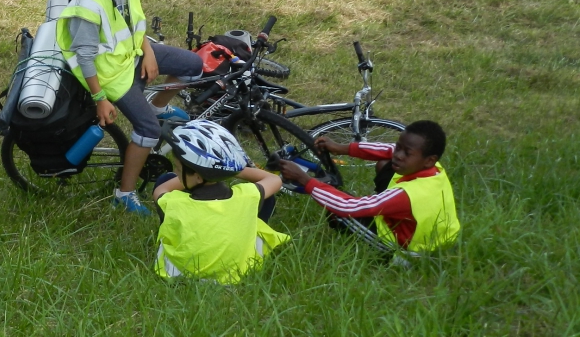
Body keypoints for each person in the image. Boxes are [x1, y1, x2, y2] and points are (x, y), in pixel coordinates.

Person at [56, 0, 205, 216]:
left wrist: (148, 53)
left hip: (134, 56)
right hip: (112, 77)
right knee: (148, 130)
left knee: (194, 66)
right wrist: (100, 98)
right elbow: (85, 58)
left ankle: (158, 107)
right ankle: (124, 194)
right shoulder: (88, 4)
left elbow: (135, 27)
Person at [277, 120, 459, 254]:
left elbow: (347, 206)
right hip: (438, 238)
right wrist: (341, 148)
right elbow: (387, 149)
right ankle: (384, 211)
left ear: (429, 160)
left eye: (407, 153)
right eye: (399, 147)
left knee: (336, 210)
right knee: (384, 164)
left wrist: (304, 179)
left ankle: (384, 254)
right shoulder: (433, 169)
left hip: (409, 250)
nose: (398, 155)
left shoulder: (406, 194)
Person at [151, 120, 290, 284]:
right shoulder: (247, 196)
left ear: (198, 176)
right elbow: (274, 179)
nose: (176, 172)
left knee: (166, 179)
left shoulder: (174, 203)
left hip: (181, 273)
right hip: (235, 273)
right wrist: (227, 169)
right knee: (265, 198)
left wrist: (201, 174)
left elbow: (160, 189)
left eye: (178, 168)